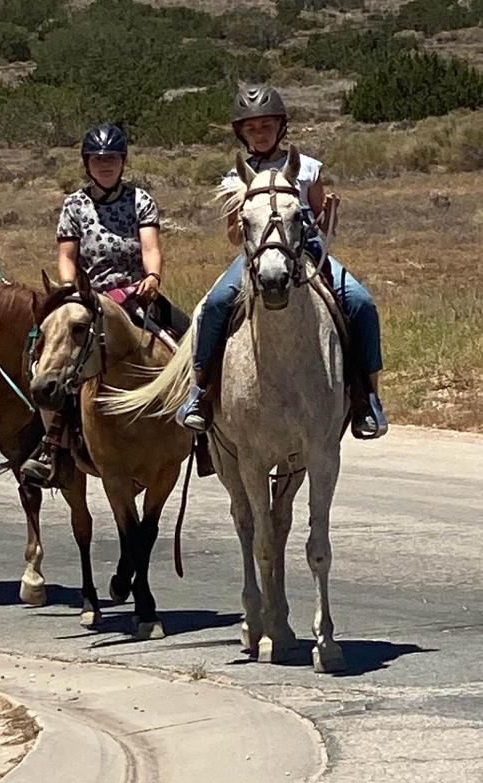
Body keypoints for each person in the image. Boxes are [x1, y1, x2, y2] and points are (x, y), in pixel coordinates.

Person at [175, 82, 388, 440]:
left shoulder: (307, 170)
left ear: (281, 127)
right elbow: (231, 235)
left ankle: (367, 397)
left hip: (308, 254)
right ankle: (201, 393)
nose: (260, 134)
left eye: (267, 126)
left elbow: (324, 223)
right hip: (257, 256)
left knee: (361, 303)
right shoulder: (235, 178)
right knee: (214, 305)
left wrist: (330, 214)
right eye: (252, 128)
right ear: (242, 133)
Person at [21, 122, 189, 485]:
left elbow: (150, 249)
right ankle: (50, 446)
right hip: (88, 297)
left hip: (136, 294)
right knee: (49, 361)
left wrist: (152, 278)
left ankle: (203, 432)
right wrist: (69, 289)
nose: (105, 166)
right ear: (87, 164)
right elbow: (67, 255)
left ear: (123, 162)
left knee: (190, 341)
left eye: (111, 159)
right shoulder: (75, 205)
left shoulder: (140, 200)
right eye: (98, 160)